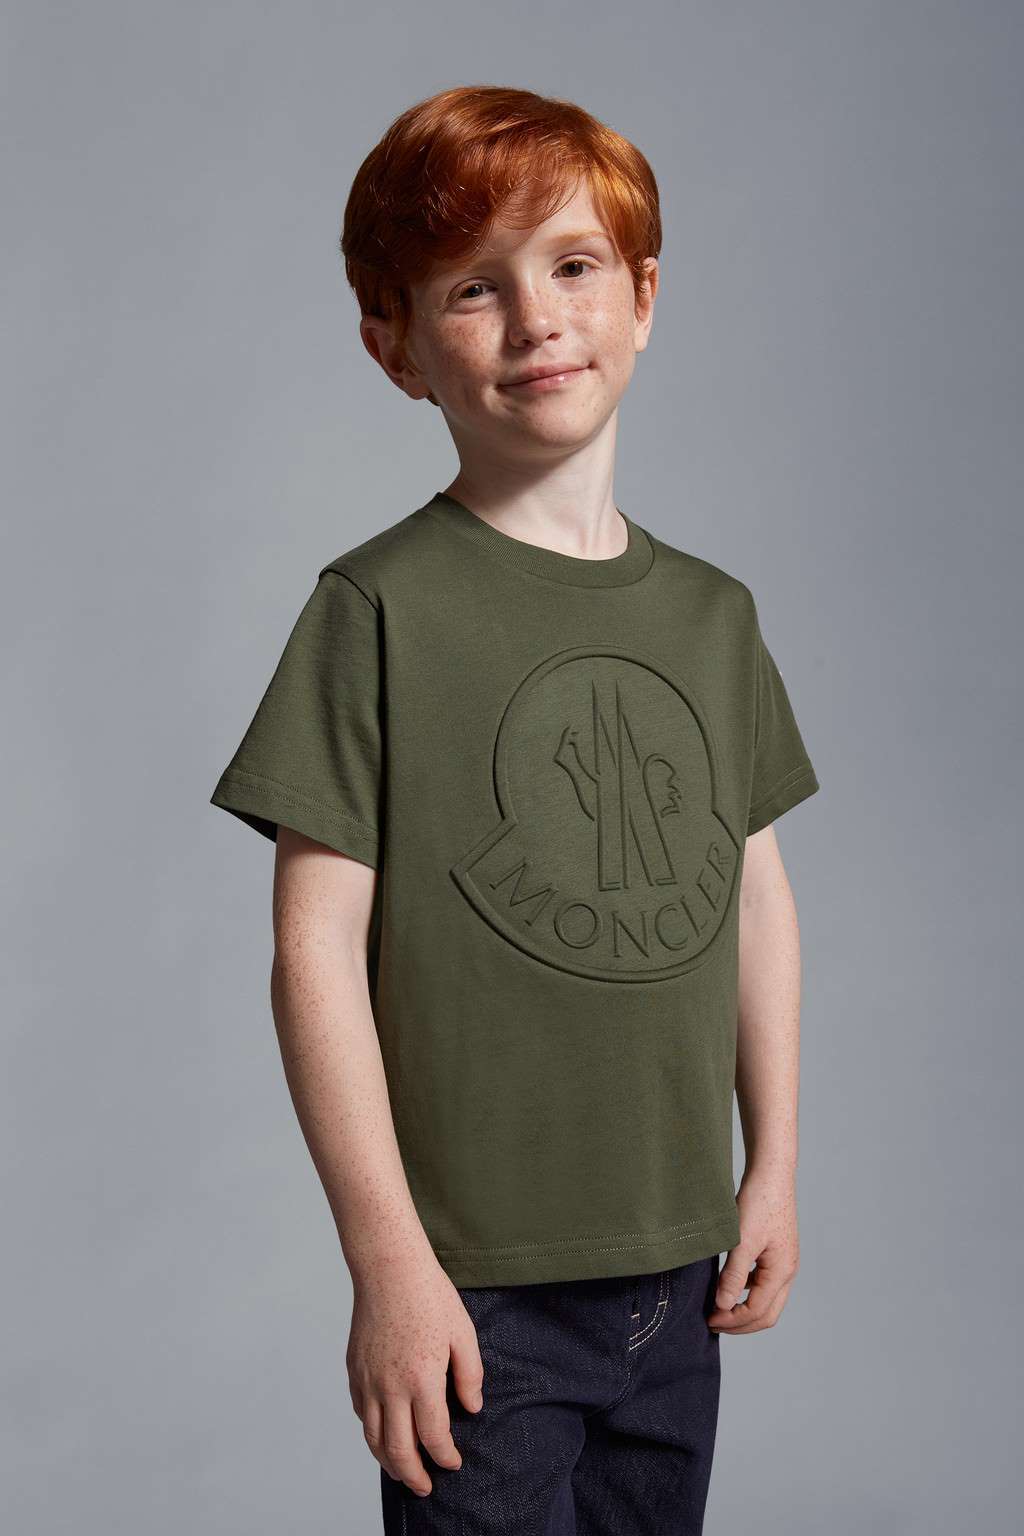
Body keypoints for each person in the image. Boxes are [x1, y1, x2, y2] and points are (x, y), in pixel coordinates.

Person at [209, 84, 821, 1535]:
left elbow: (755, 900)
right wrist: (389, 1264)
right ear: (398, 348)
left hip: (676, 1276)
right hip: (476, 1293)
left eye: (574, 265)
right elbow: (312, 955)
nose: (539, 319)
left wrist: (776, 1166)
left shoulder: (715, 617)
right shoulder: (374, 610)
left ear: (643, 297)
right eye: (474, 289)